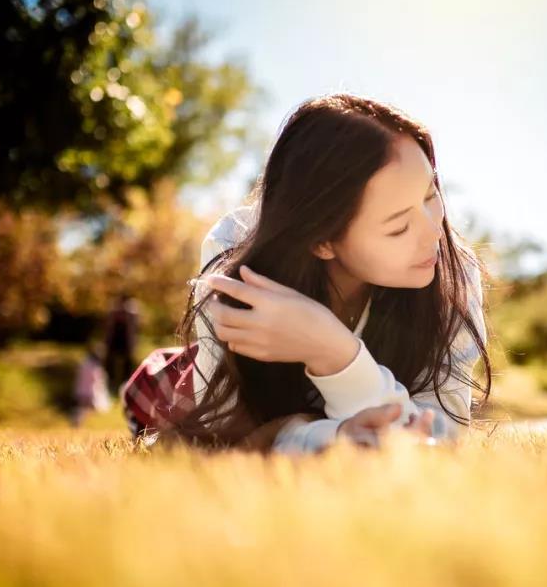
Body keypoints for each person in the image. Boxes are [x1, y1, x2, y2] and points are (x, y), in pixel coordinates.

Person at [173, 93, 492, 454]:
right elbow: (222, 436)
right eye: (399, 227)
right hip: (181, 385)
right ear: (323, 240)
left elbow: (436, 439)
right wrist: (325, 421)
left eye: (431, 195)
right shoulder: (236, 255)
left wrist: (335, 352)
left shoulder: (454, 272)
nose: (435, 230)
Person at [103, 293, 140, 397]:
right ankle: (112, 382)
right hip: (115, 342)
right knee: (111, 363)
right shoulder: (114, 312)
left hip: (125, 343)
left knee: (127, 364)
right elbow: (109, 328)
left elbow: (133, 329)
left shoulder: (131, 312)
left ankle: (126, 384)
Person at [71, 343, 111, 427]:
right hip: (89, 392)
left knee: (82, 409)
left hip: (81, 390)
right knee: (86, 409)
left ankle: (77, 423)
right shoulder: (94, 366)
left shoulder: (84, 363)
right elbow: (98, 378)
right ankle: (77, 423)